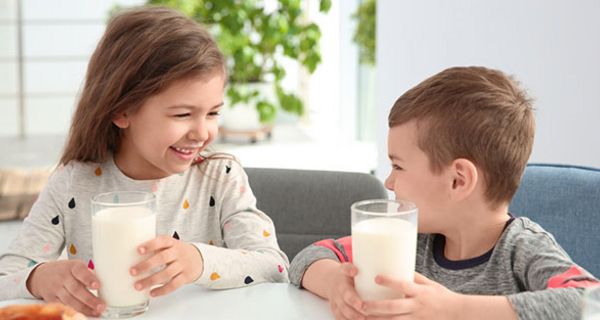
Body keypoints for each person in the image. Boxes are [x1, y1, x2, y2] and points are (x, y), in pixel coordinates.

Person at [0, 6, 288, 317]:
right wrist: (38, 277)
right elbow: (7, 276)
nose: (203, 132)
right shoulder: (73, 183)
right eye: (182, 114)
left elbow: (274, 266)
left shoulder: (221, 177)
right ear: (122, 111)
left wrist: (198, 261)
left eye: (213, 113)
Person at [290, 66, 598, 320]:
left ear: (458, 180)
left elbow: (589, 303)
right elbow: (310, 256)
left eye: (398, 166)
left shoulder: (521, 249)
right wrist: (336, 284)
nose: (389, 182)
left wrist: (453, 309)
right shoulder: (412, 240)